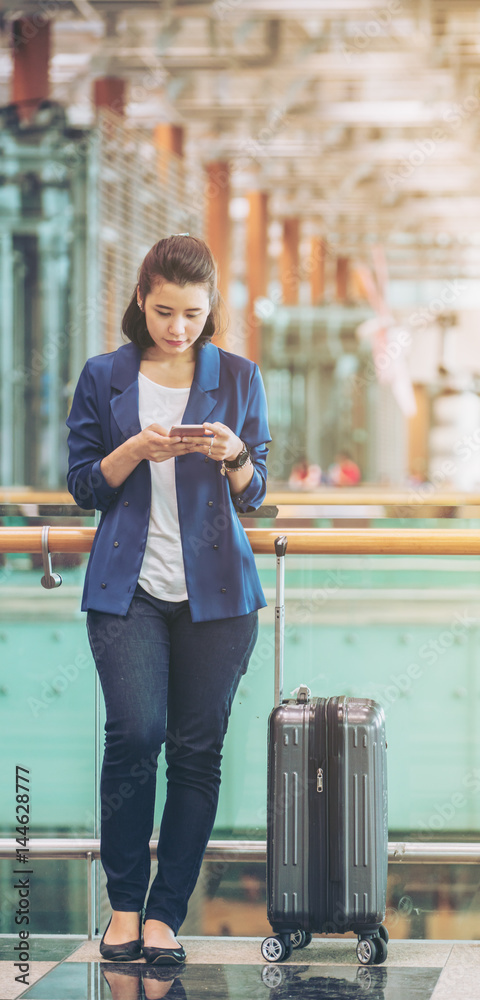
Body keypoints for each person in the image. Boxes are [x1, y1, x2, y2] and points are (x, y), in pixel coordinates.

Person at [66, 235, 271, 965]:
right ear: (140, 299)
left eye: (191, 313)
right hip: (129, 592)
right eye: (162, 312)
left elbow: (258, 495)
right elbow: (84, 484)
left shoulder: (238, 377)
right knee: (134, 733)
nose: (176, 328)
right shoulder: (104, 376)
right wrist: (133, 452)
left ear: (210, 307)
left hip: (220, 598)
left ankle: (162, 917)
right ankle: (122, 907)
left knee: (195, 751)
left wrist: (235, 457)